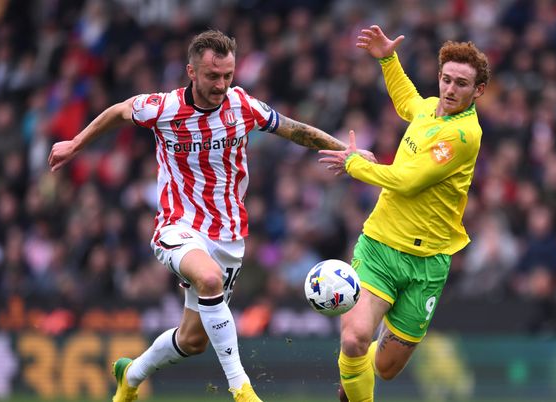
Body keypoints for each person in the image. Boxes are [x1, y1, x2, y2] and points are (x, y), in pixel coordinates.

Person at [48, 30, 346, 402]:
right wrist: (76, 143)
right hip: (178, 225)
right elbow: (119, 111)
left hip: (229, 234)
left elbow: (296, 131)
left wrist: (347, 151)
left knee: (192, 340)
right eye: (212, 76)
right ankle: (241, 387)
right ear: (191, 71)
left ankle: (131, 375)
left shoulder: (243, 106)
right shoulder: (162, 107)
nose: (221, 85)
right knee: (208, 278)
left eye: (227, 76)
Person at [319, 25, 490, 401]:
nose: (449, 90)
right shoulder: (431, 109)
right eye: (446, 79)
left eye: (461, 84)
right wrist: (387, 58)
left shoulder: (463, 136)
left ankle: (353, 386)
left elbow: (407, 181)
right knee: (354, 340)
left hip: (428, 263)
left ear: (478, 91)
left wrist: (355, 165)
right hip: (381, 245)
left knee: (385, 368)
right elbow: (407, 102)